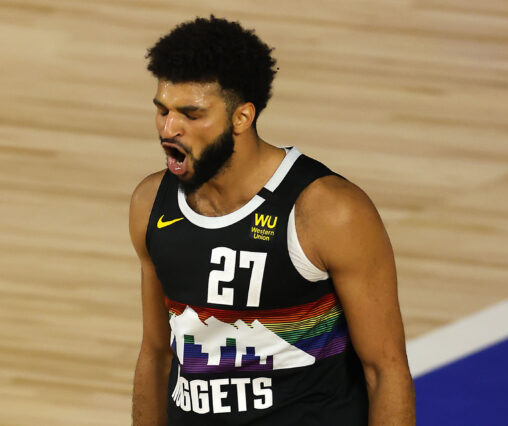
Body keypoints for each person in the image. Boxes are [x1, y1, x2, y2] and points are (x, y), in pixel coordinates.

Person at [129, 15, 415, 425]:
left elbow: (385, 371)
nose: (168, 128)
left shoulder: (329, 211)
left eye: (191, 115)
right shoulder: (150, 204)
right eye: (162, 111)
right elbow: (156, 354)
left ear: (241, 118)